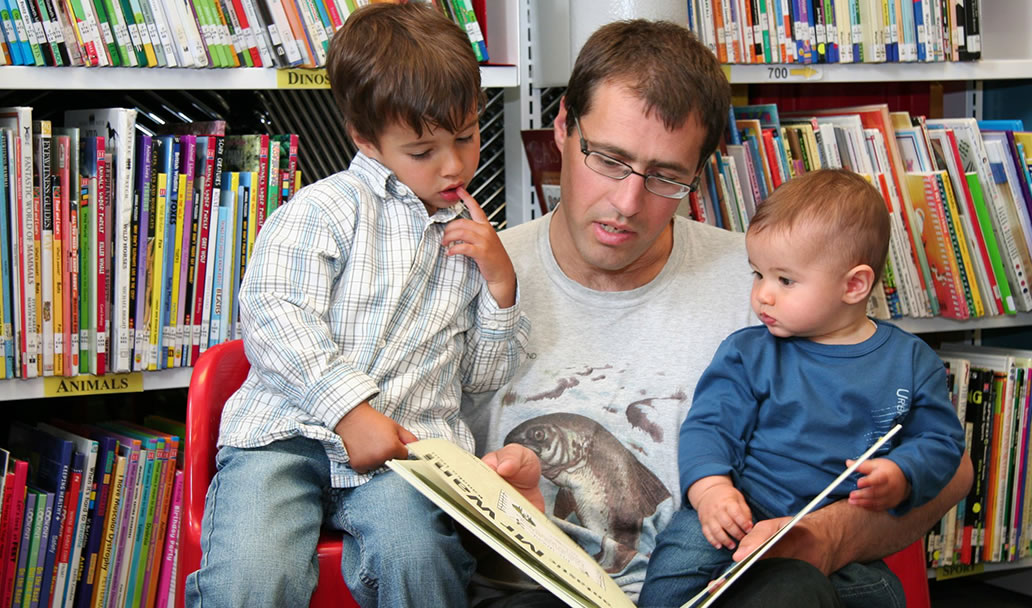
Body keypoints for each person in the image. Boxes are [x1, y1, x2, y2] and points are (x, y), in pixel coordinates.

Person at [464, 18, 972, 608]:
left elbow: (949, 466)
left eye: (666, 176)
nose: (627, 203)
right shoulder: (472, 277)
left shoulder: (771, 285)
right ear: (561, 129)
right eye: (608, 159)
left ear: (699, 175)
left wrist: (825, 538)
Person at [184, 4, 530, 607]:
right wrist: (349, 412)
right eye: (423, 150)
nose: (453, 165)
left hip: (407, 457)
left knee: (420, 558)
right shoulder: (322, 211)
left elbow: (479, 380)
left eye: (467, 137)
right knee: (253, 574)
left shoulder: (473, 235)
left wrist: (501, 289)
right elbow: (275, 318)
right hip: (285, 439)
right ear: (365, 140)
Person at [637, 169, 967, 606]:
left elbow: (941, 440)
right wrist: (712, 489)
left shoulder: (910, 362)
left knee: (883, 595)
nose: (763, 296)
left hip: (828, 521)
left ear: (854, 285)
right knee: (678, 562)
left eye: (784, 280)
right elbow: (708, 427)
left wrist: (905, 473)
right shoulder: (747, 352)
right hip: (742, 505)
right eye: (758, 275)